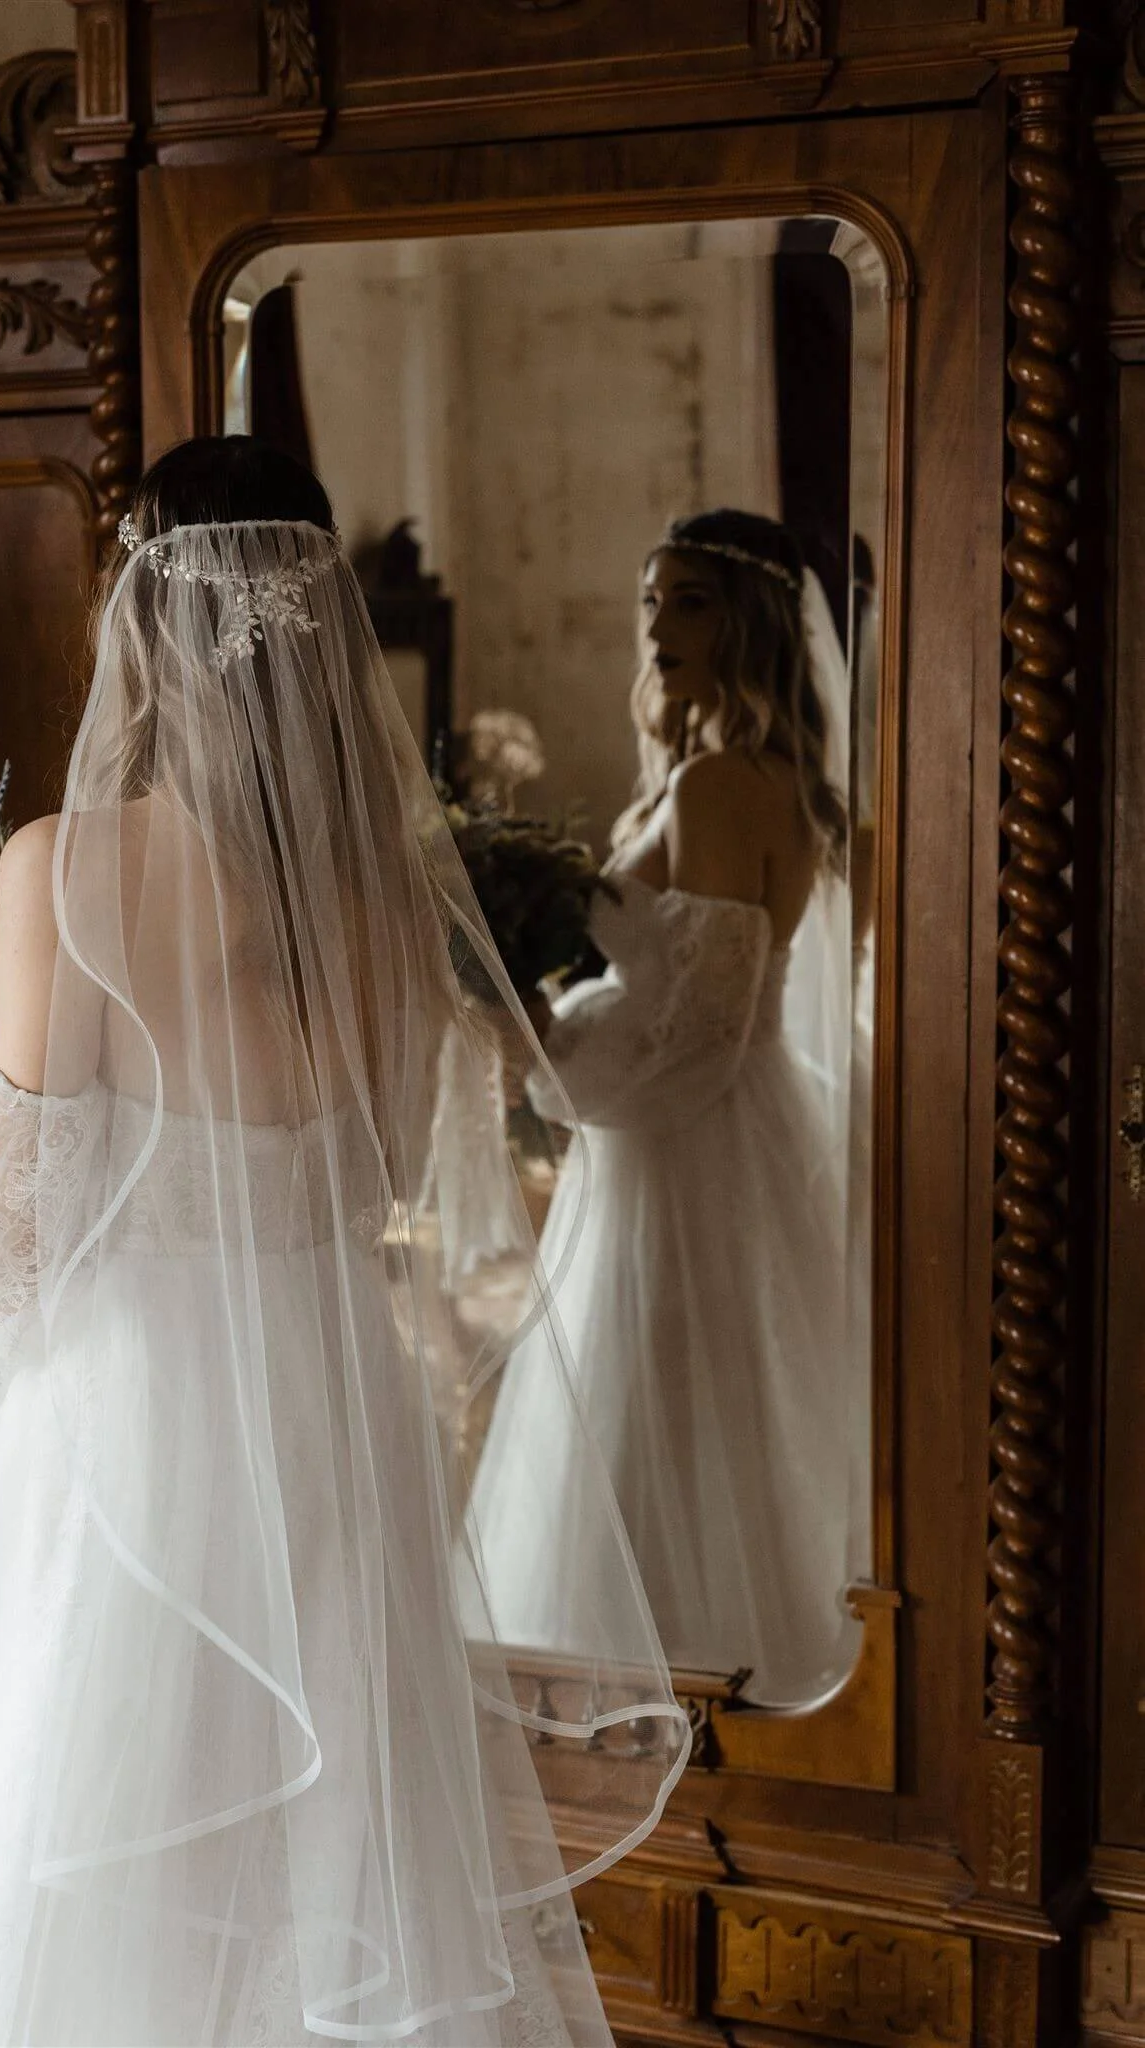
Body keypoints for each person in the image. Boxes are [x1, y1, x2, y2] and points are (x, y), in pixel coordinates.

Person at [0, 437, 689, 2047]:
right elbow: (369, 1168)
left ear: (147, 619)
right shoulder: (379, 901)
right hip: (325, 1397)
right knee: (321, 1850)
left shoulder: (66, 870)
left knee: (94, 1831)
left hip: (137, 1417)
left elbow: (9, 1248)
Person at [469, 509, 864, 1708]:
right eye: (650, 601)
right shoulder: (726, 777)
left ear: (745, 624)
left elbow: (700, 1033)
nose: (658, 626)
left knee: (665, 1416)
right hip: (689, 1145)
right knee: (686, 1419)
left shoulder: (715, 784)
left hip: (687, 1156)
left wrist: (539, 1050)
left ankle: (666, 1719)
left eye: (688, 600)